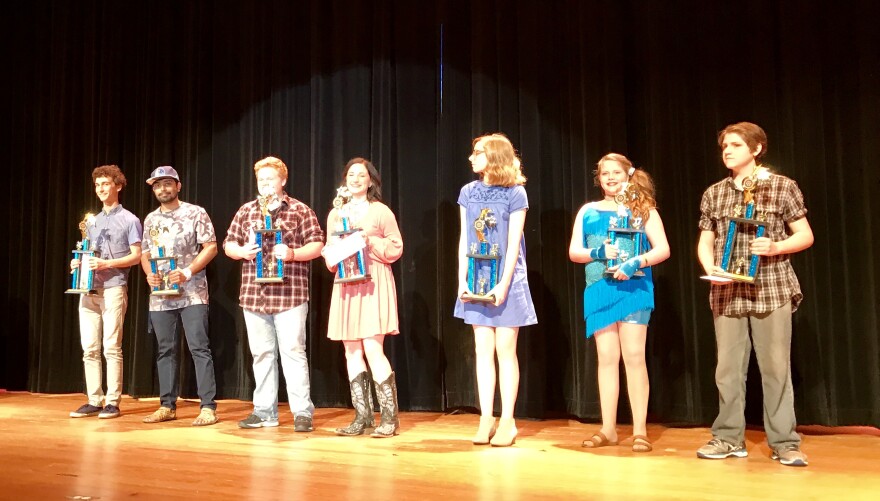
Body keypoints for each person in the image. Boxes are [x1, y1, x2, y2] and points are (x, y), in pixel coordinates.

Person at [696, 122, 814, 467]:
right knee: (727, 369)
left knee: (776, 368)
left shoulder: (781, 187)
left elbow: (804, 235)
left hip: (771, 288)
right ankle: (729, 437)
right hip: (727, 292)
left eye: (735, 145)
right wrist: (710, 267)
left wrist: (777, 245)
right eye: (724, 147)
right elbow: (706, 239)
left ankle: (785, 442)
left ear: (756, 148)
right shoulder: (714, 193)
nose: (727, 151)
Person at [568, 153, 670, 452]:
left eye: (615, 172)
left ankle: (639, 430)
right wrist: (598, 253)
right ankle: (608, 429)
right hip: (599, 289)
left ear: (628, 174)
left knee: (635, 357)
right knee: (607, 359)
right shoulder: (588, 211)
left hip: (634, 288)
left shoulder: (643, 209)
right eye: (604, 173)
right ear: (598, 179)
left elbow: (663, 248)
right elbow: (575, 252)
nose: (610, 177)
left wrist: (637, 260)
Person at [224, 156, 325, 431]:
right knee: (261, 354)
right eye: (261, 179)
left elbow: (317, 244)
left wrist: (292, 254)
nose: (266, 183)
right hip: (254, 295)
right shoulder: (246, 211)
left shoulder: (300, 210)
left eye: (271, 178)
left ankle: (302, 412)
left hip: (290, 295)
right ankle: (264, 411)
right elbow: (228, 244)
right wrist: (241, 252)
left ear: (283, 180)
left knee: (293, 351)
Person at [453, 133, 537, 447]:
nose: (471, 158)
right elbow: (464, 238)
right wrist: (461, 279)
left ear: (495, 156)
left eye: (478, 152)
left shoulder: (516, 193)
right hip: (476, 276)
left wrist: (504, 283)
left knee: (505, 349)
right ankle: (486, 416)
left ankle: (507, 420)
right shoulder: (468, 192)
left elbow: (514, 243)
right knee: (482, 349)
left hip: (506, 278)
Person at [323, 158, 404, 438]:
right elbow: (330, 257)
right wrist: (333, 251)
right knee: (351, 351)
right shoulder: (336, 213)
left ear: (371, 181)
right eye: (351, 174)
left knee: (372, 348)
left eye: (362, 175)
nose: (356, 179)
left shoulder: (380, 212)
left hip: (373, 281)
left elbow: (396, 248)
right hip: (346, 284)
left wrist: (367, 241)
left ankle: (390, 419)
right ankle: (363, 416)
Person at [140, 166, 220, 426]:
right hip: (161, 295)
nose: (162, 189)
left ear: (178, 186)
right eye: (157, 185)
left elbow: (211, 246)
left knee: (199, 347)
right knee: (165, 350)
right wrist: (148, 275)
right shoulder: (151, 219)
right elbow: (145, 253)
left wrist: (187, 271)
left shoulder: (195, 212)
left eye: (167, 184)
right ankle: (167, 405)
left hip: (192, 292)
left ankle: (207, 407)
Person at [69, 165, 142, 419]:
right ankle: (94, 399)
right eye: (97, 185)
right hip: (89, 289)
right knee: (89, 347)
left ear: (118, 186)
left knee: (111, 346)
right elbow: (88, 252)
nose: (100, 189)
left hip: (113, 288)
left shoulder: (130, 220)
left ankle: (112, 401)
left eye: (106, 184)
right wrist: (78, 264)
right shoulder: (91, 221)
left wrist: (107, 264)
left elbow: (136, 256)